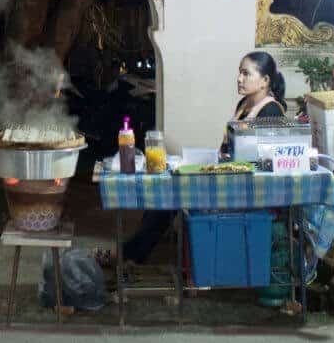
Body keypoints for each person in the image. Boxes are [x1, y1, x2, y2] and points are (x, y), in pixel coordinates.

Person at [95, 51, 287, 268]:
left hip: (246, 189)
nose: (239, 79)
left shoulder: (271, 112)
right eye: (239, 72)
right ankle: (131, 255)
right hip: (228, 177)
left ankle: (128, 255)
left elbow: (264, 163)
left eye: (246, 73)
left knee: (170, 196)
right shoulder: (244, 104)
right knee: (165, 191)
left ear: (265, 81)